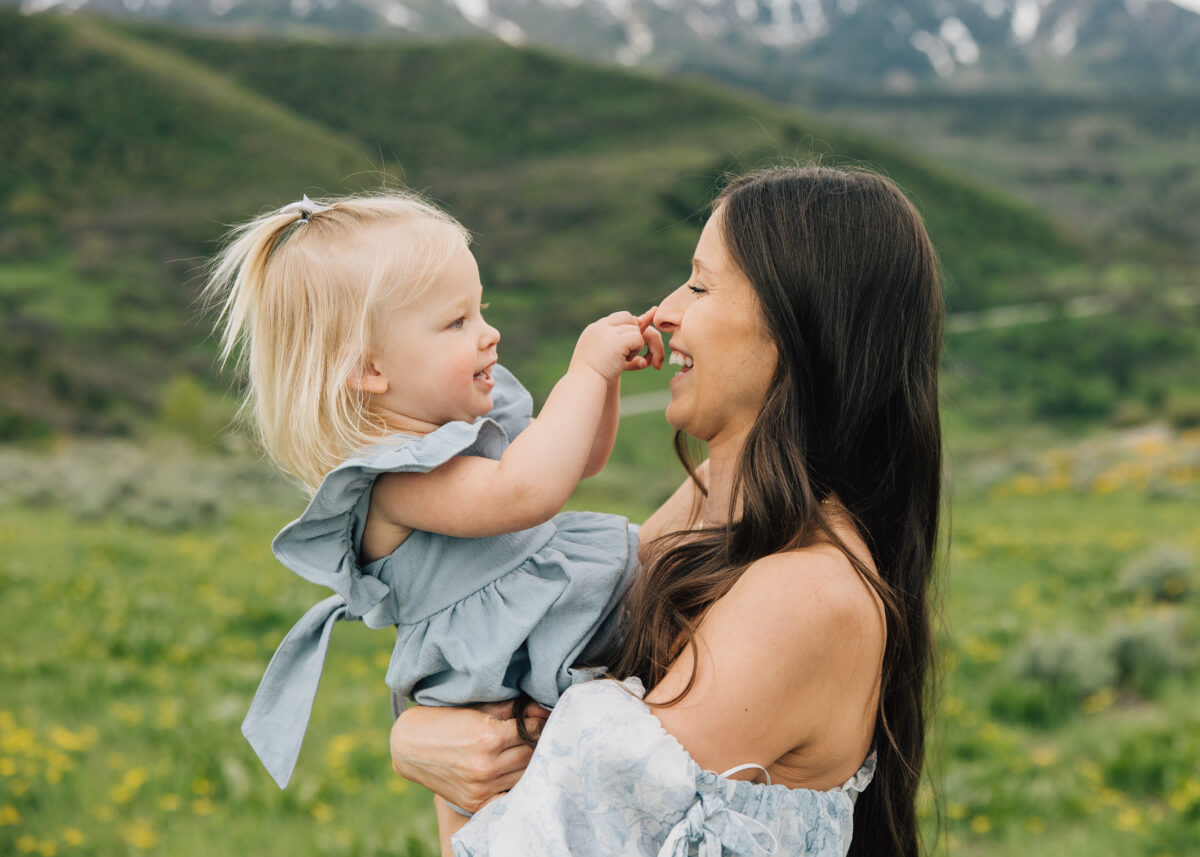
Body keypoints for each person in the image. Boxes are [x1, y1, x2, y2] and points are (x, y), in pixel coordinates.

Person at [390, 165, 945, 857]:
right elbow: (527, 660)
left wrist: (448, 760)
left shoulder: (805, 592)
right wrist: (420, 735)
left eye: (701, 284)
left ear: (799, 325)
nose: (665, 310)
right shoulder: (722, 504)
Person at [203, 191, 664, 790]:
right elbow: (527, 492)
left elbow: (581, 463)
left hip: (559, 632)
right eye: (457, 322)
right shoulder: (392, 479)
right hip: (507, 675)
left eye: (482, 310)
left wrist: (605, 389)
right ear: (370, 369)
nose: (489, 334)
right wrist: (585, 372)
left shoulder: (465, 429)